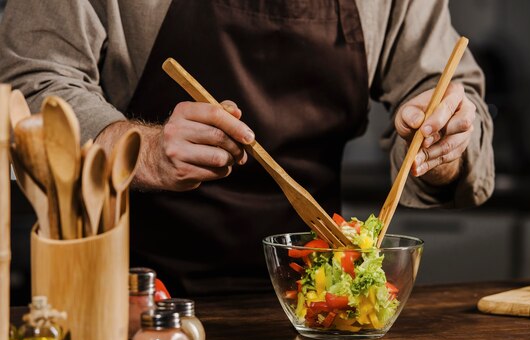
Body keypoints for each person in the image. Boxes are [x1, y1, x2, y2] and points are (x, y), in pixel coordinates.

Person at [0, 0, 494, 295]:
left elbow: (447, 87)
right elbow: (29, 80)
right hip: (128, 295)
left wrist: (441, 140)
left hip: (320, 301)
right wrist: (143, 150)